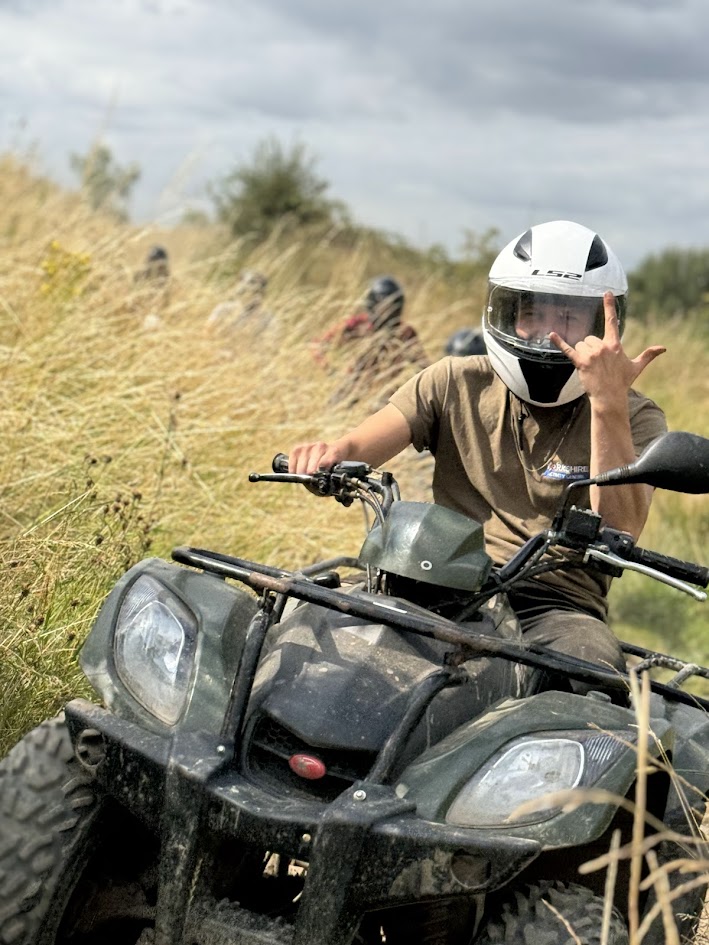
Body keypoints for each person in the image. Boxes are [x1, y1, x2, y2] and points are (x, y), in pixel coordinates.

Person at [288, 220, 668, 692]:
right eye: (534, 310)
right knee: (311, 620)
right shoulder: (452, 380)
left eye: (569, 316)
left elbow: (620, 529)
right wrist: (325, 457)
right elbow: (356, 447)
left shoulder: (636, 416)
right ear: (506, 312)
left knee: (587, 677)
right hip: (431, 574)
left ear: (603, 324)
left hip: (552, 604)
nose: (550, 332)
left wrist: (607, 402)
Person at [313, 275, 430, 409]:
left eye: (392, 306)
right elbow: (319, 345)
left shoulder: (405, 333)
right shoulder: (357, 324)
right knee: (332, 410)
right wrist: (330, 369)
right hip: (353, 387)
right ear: (373, 303)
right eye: (383, 305)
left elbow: (423, 366)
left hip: (387, 395)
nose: (387, 311)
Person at [206, 269, 273, 338]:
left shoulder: (268, 319)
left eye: (258, 292)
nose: (255, 296)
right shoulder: (223, 309)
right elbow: (207, 333)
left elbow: (271, 344)